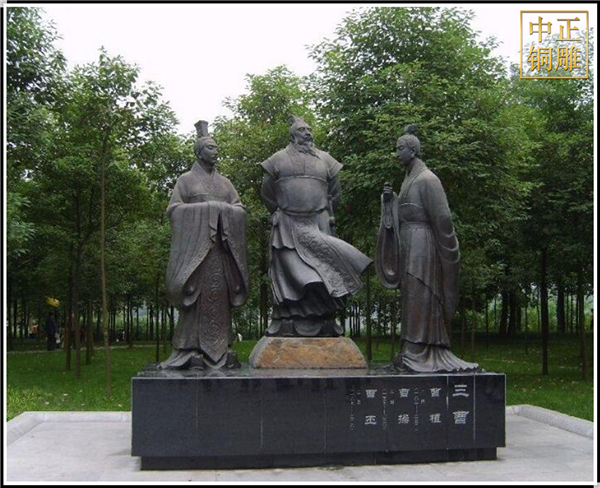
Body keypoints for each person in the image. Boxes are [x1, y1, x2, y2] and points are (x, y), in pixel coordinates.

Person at [376, 125, 478, 372]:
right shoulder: (409, 180)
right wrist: (389, 202)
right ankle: (411, 349)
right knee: (410, 295)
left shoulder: (428, 180)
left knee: (422, 293)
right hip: (408, 244)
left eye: (400, 149)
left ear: (413, 151)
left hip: (423, 247)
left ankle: (422, 349)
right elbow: (404, 213)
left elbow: (443, 221)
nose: (396, 154)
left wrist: (450, 254)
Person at [260, 115, 372, 337]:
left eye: (309, 129)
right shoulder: (277, 160)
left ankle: (324, 317)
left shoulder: (326, 159)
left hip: (319, 224)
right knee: (294, 271)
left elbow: (335, 193)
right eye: (302, 130)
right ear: (293, 135)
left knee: (323, 272)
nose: (308, 133)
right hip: (287, 226)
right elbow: (267, 193)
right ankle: (288, 317)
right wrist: (282, 211)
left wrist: (323, 214)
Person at [160, 120, 249, 369]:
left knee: (219, 299)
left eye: (217, 147)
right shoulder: (186, 181)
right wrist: (210, 209)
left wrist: (223, 212)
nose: (216, 151)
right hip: (196, 256)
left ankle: (221, 349)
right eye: (211, 147)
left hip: (221, 253)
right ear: (199, 152)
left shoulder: (226, 183)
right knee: (195, 299)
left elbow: (240, 210)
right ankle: (190, 348)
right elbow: (174, 210)